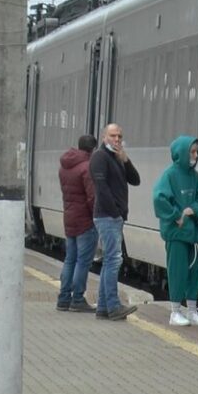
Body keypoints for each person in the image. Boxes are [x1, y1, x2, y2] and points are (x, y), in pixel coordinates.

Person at [152, 136, 198, 327]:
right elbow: (159, 198)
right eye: (192, 152)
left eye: (196, 152)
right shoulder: (170, 175)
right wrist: (176, 215)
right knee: (177, 271)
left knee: (194, 271)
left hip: (191, 233)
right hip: (177, 233)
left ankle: (192, 311)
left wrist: (193, 209)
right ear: (182, 153)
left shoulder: (194, 176)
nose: (195, 155)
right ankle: (175, 312)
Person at [90, 123, 140, 321]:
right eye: (113, 136)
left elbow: (136, 180)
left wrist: (125, 160)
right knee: (113, 260)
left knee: (110, 260)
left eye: (119, 136)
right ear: (104, 137)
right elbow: (101, 189)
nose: (117, 140)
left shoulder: (116, 158)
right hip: (107, 216)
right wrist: (116, 213)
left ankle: (103, 307)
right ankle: (113, 305)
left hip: (113, 217)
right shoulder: (99, 157)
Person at [56, 134, 99, 312]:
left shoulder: (64, 167)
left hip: (69, 217)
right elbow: (92, 197)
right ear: (93, 149)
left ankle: (64, 298)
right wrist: (96, 216)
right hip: (85, 221)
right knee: (83, 261)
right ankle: (78, 298)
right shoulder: (87, 168)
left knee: (69, 259)